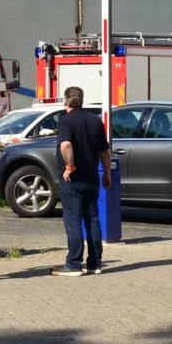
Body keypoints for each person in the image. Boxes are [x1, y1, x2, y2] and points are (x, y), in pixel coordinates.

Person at [53, 86, 112, 277]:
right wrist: (107, 173)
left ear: (66, 101)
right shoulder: (95, 121)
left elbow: (66, 144)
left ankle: (73, 263)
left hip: (73, 180)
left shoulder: (66, 121)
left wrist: (69, 166)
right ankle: (95, 262)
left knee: (73, 220)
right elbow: (104, 151)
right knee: (92, 219)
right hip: (92, 177)